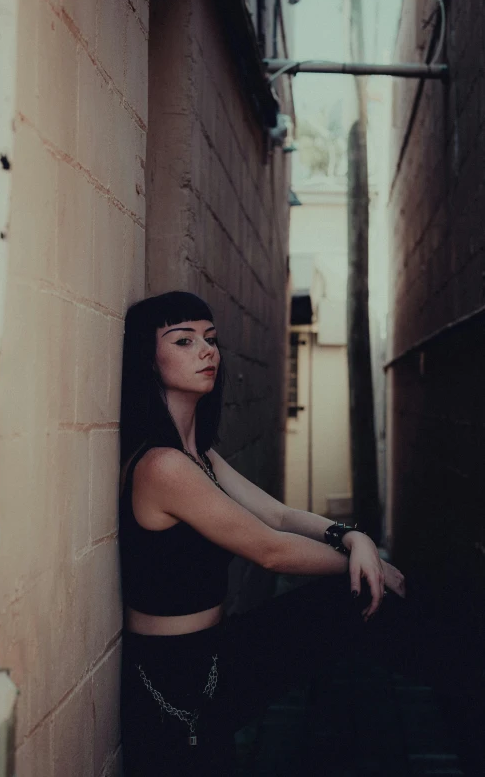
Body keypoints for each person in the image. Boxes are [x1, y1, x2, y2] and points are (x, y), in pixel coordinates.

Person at [118, 291, 478, 776]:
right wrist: (366, 565)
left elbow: (280, 516)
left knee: (372, 602)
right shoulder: (162, 466)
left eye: (210, 339)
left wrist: (352, 539)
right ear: (148, 357)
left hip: (216, 653)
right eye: (183, 341)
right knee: (359, 598)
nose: (207, 351)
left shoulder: (200, 456)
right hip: (174, 678)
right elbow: (270, 551)